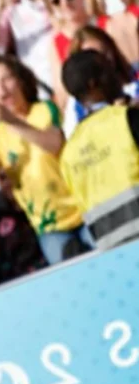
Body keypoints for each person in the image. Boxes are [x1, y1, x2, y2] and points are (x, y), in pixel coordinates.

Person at [0, 56, 83, 265]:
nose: (2, 89)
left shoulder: (45, 109)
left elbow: (54, 143)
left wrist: (12, 121)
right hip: (50, 227)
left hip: (83, 209)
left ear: (20, 80)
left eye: (7, 79)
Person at [57, 50, 139, 250]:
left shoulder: (69, 152)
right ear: (94, 83)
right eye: (108, 70)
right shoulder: (126, 120)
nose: (116, 76)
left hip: (112, 251)